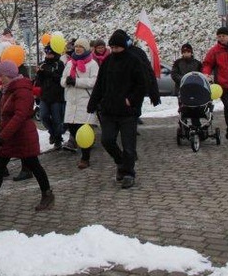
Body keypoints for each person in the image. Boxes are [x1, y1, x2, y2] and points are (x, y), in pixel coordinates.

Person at [0, 60, 54, 215]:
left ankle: (47, 194)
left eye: (1, 75)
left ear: (8, 75)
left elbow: (19, 115)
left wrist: (2, 136)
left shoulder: (22, 90)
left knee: (34, 165)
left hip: (21, 136)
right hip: (9, 136)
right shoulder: (9, 89)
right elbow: (5, 111)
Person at [87, 30, 147, 189]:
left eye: (117, 48)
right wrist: (93, 103)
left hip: (127, 112)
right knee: (107, 140)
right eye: (112, 47)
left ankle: (128, 173)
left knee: (129, 146)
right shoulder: (107, 62)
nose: (114, 51)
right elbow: (100, 84)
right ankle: (120, 162)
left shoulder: (134, 61)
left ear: (124, 47)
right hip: (108, 110)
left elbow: (142, 85)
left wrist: (131, 100)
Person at [61, 39, 99, 168]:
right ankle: (82, 146)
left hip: (85, 102)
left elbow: (94, 82)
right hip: (72, 101)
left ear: (86, 48)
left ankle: (85, 157)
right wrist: (67, 81)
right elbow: (62, 80)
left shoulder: (92, 64)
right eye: (76, 46)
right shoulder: (70, 63)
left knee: (84, 130)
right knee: (72, 129)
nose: (77, 49)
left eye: (80, 47)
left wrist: (76, 82)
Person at [35, 45, 66, 149]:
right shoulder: (42, 64)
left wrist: (48, 73)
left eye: (50, 54)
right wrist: (39, 74)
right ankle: (52, 133)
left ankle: (58, 138)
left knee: (57, 120)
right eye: (47, 54)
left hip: (57, 96)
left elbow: (60, 78)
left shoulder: (59, 64)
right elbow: (39, 82)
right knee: (44, 116)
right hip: (45, 96)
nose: (48, 56)